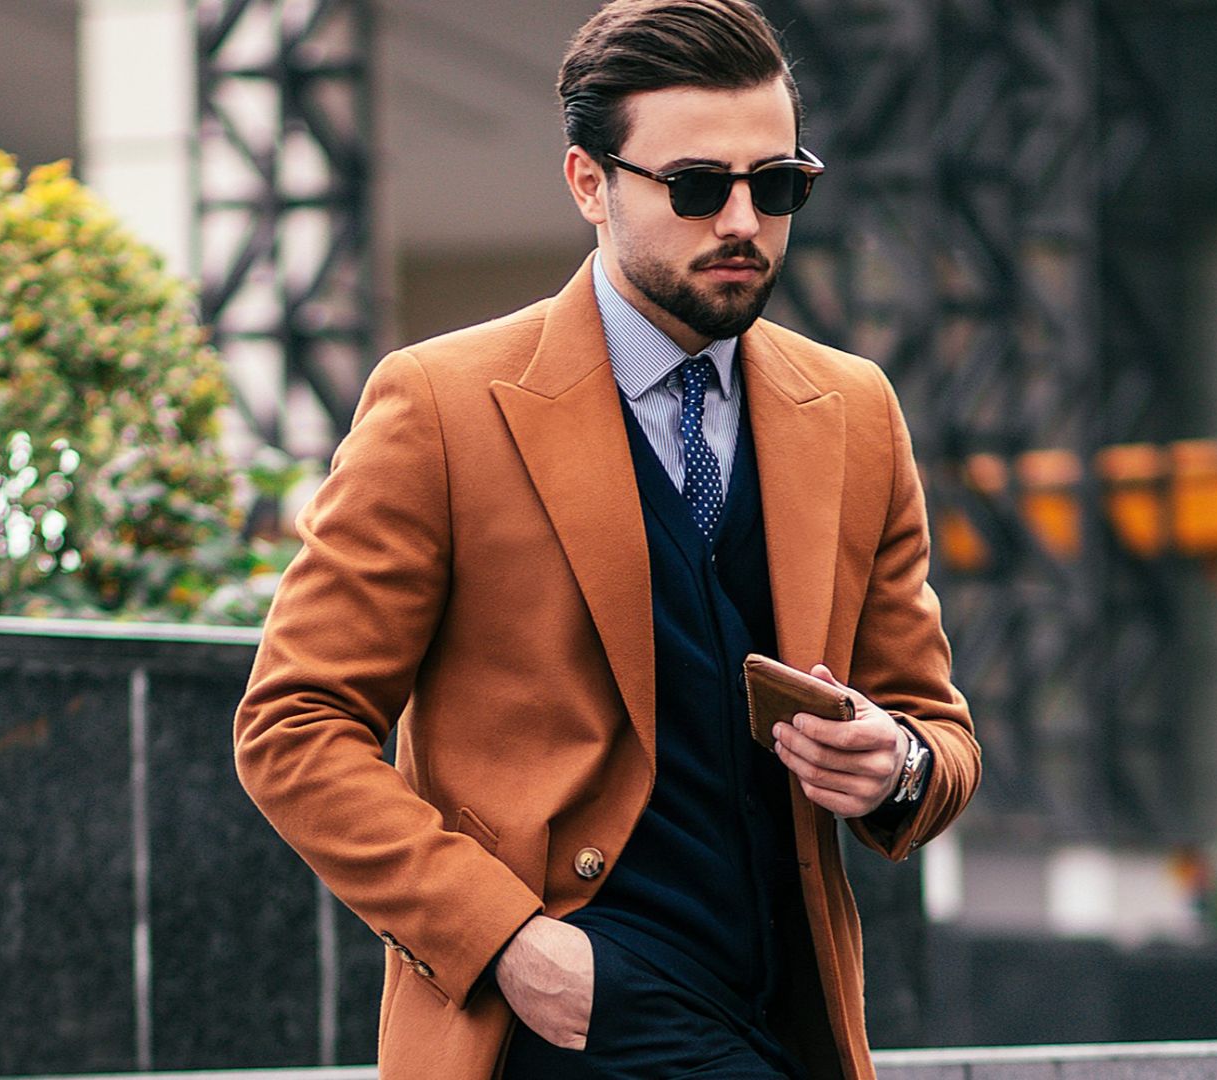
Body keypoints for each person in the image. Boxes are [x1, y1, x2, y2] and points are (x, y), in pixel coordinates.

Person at [233, 2, 981, 1076]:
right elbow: (292, 725)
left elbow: (935, 729)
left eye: (776, 187)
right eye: (695, 187)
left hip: (784, 1018)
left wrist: (895, 761)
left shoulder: (854, 411)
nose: (741, 222)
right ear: (588, 181)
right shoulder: (442, 405)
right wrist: (506, 943)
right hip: (563, 1015)